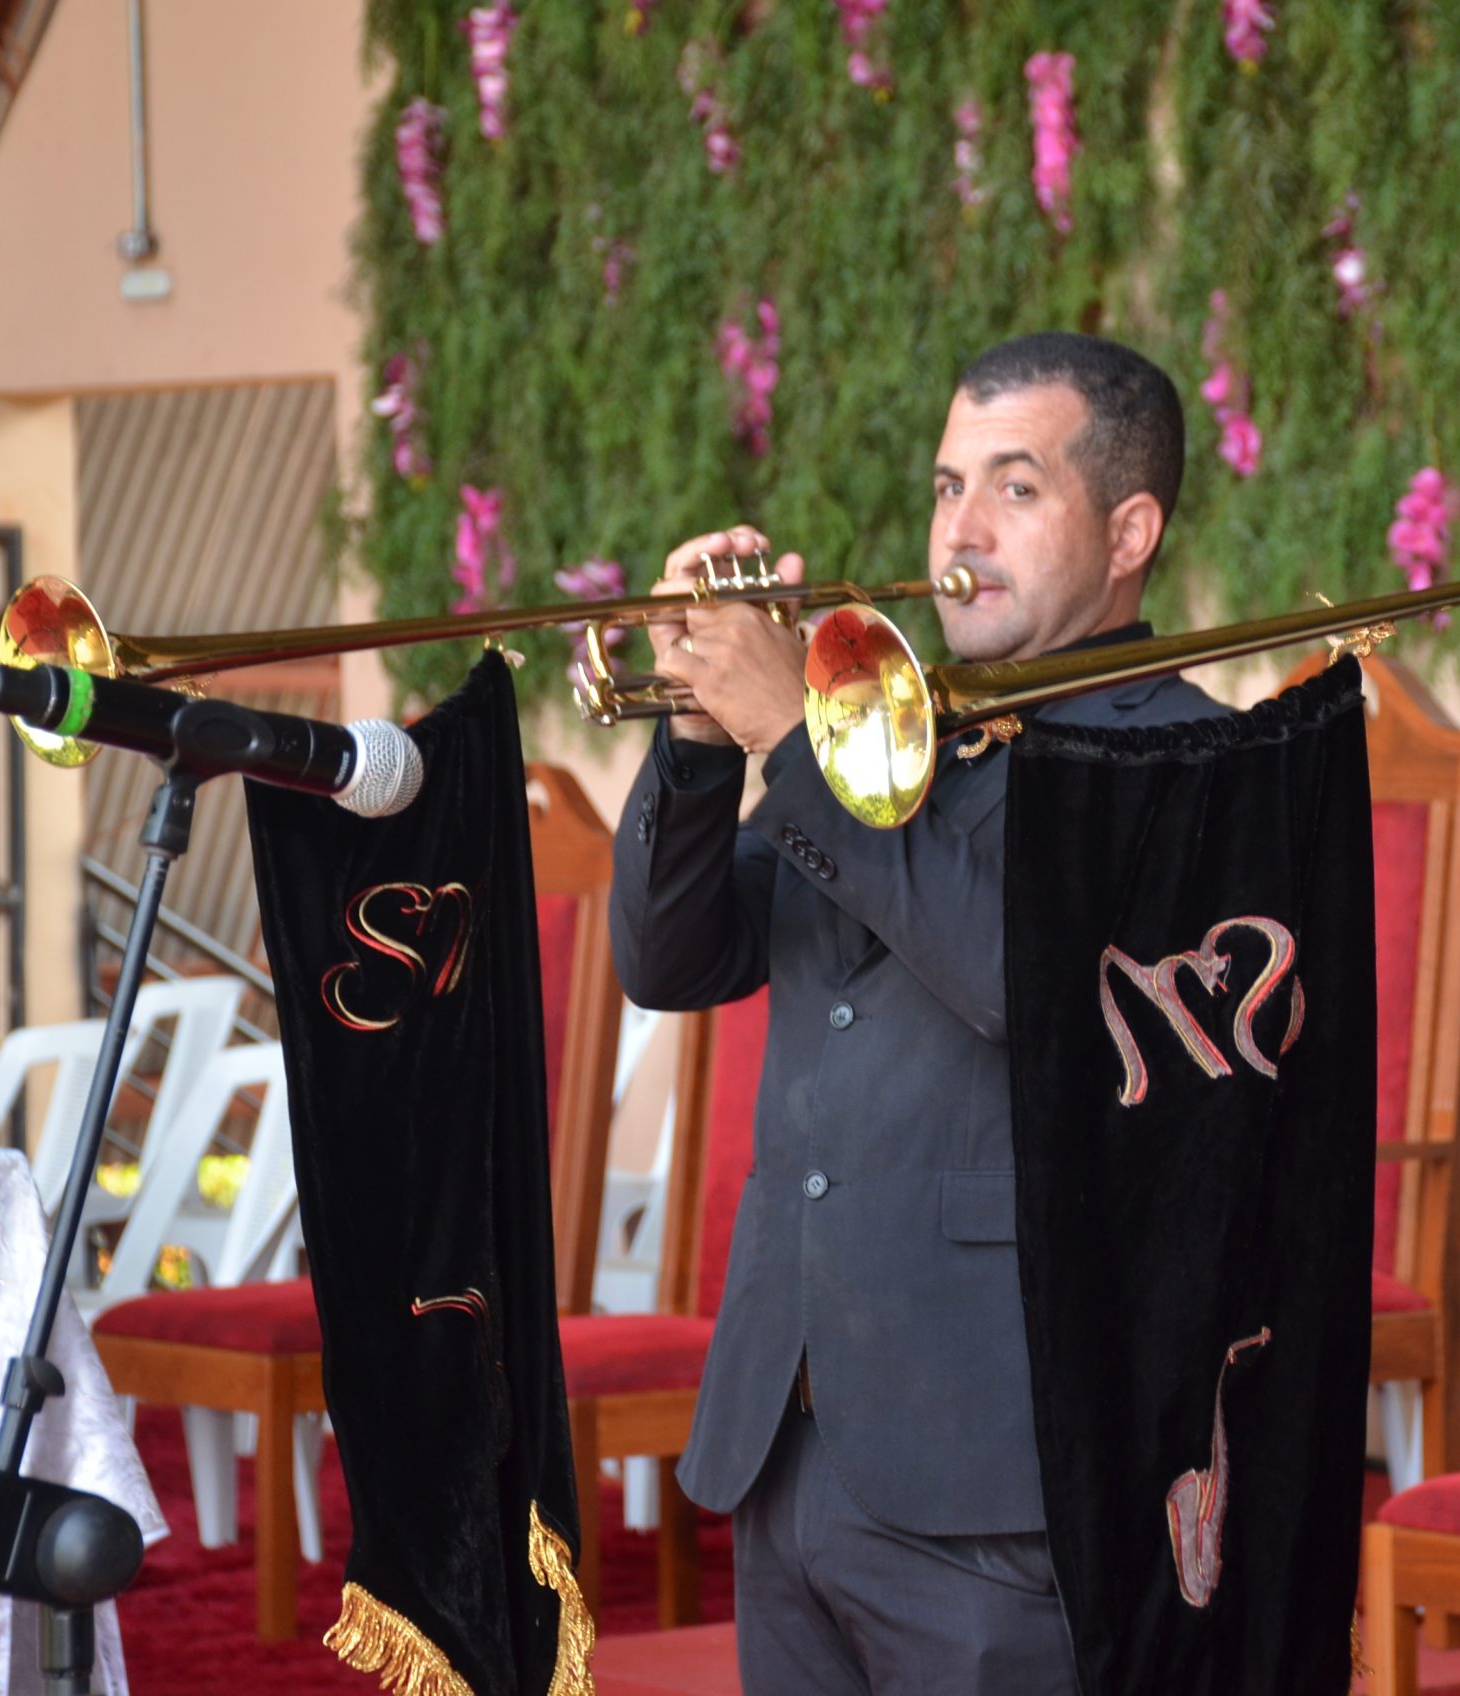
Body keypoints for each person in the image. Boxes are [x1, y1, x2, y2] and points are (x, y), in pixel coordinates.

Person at [610, 332, 1219, 1695]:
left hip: (992, 1460)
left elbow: (1034, 987)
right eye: (948, 488)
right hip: (795, 1435)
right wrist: (704, 742)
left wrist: (783, 741)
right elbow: (674, 960)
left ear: (1129, 531)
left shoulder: (1176, 754)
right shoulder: (892, 735)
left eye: (1014, 487)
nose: (962, 530)